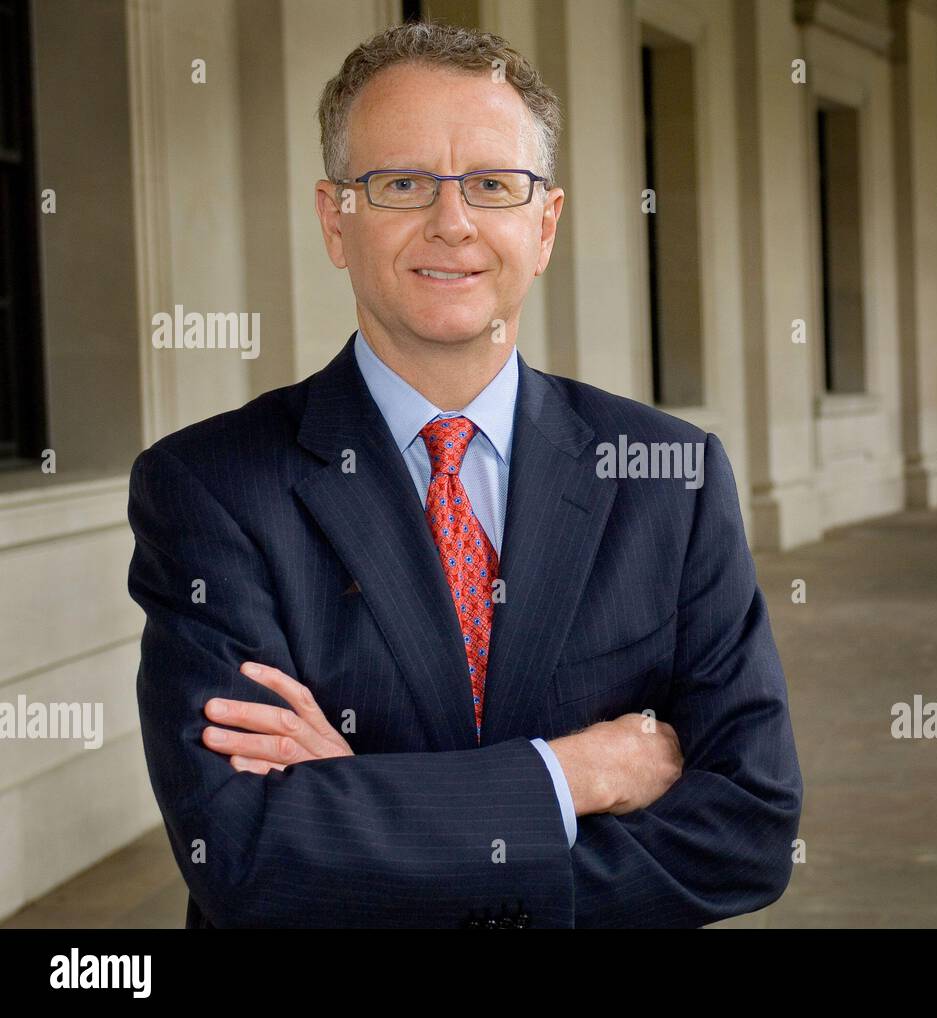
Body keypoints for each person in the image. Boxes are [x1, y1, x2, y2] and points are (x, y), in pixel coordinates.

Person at [127, 20, 801, 929]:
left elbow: (748, 829)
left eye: (493, 184)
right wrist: (579, 773)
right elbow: (249, 854)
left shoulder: (669, 476)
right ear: (336, 219)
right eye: (401, 183)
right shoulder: (209, 487)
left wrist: (363, 803)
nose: (452, 222)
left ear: (545, 222)